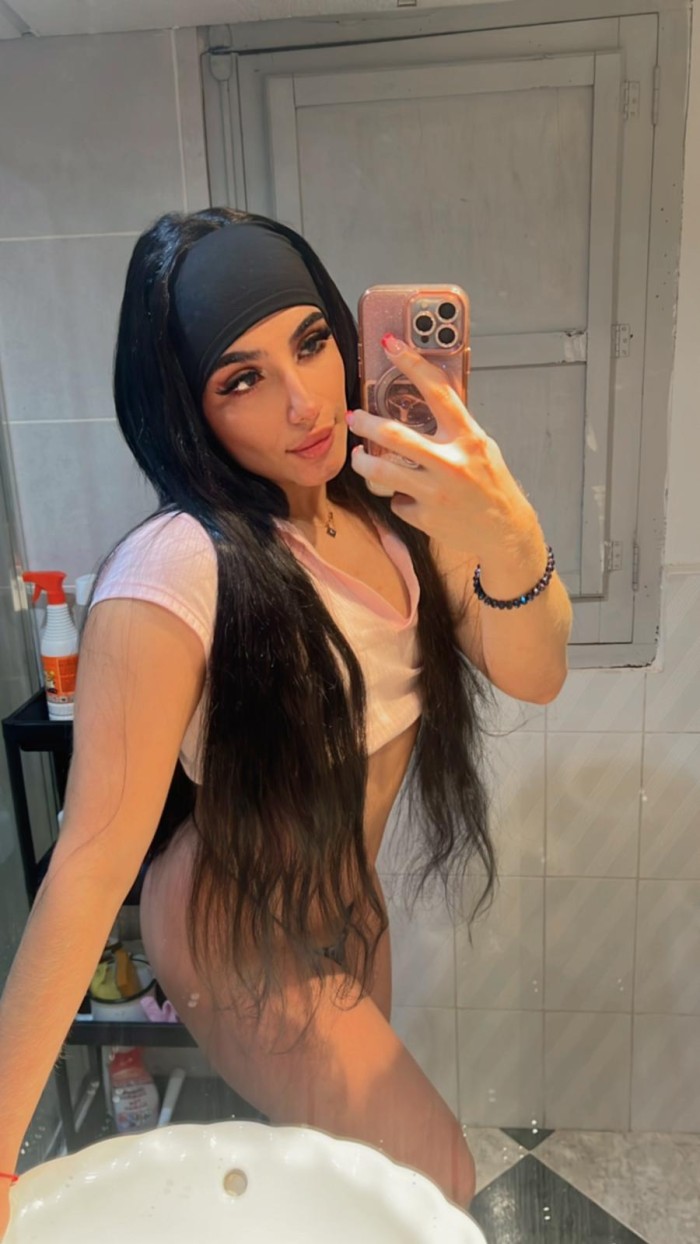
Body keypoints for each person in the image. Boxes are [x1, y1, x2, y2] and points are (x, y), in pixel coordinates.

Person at [0, 207, 571, 1235]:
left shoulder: (396, 507)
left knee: (339, 1182)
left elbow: (535, 671)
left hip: (346, 903)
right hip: (229, 925)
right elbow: (88, 860)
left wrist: (509, 530)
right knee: (431, 1173)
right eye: (242, 380)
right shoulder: (174, 567)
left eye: (311, 343)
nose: (304, 401)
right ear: (188, 410)